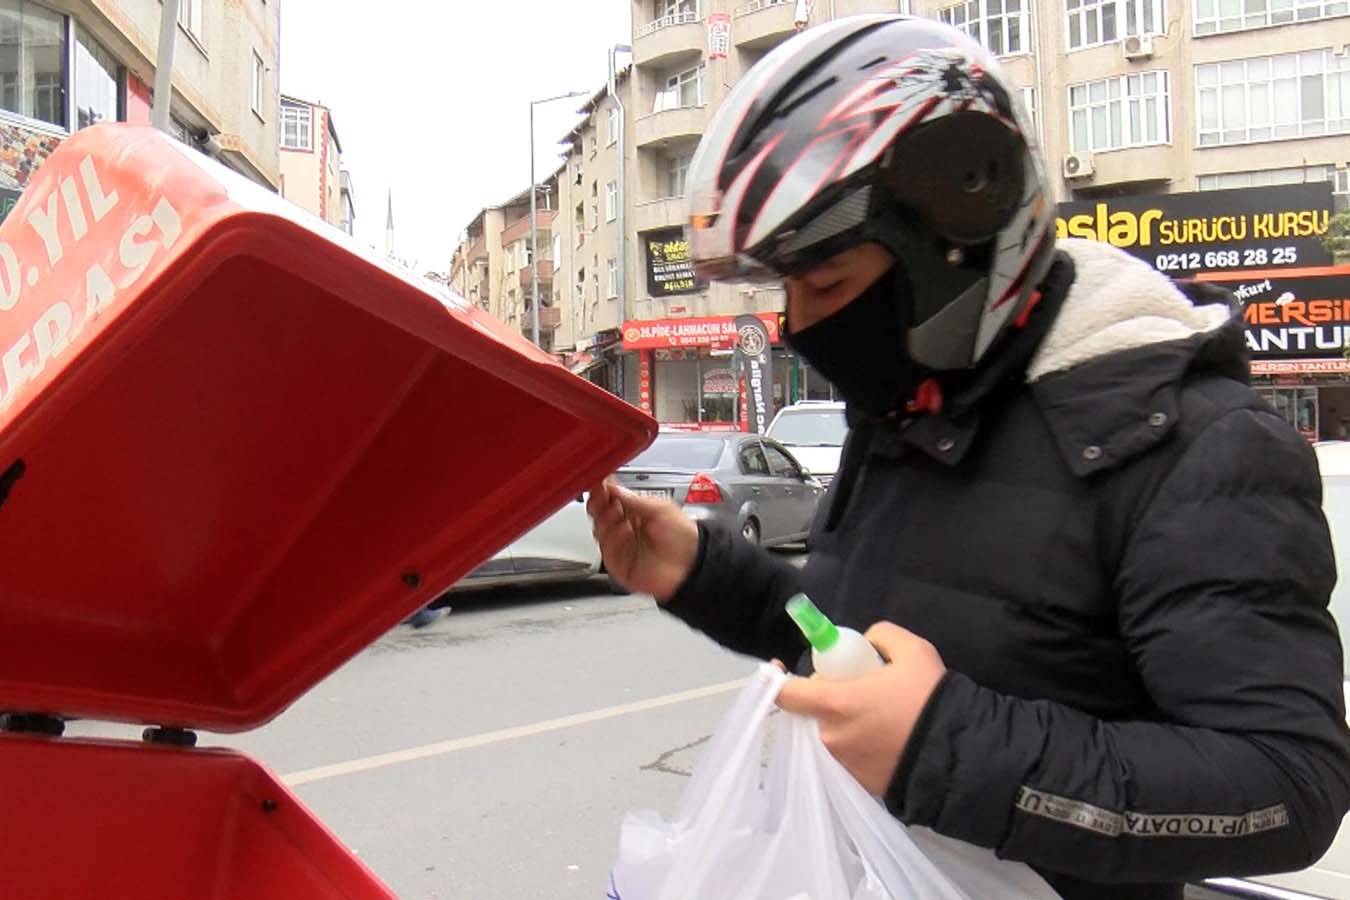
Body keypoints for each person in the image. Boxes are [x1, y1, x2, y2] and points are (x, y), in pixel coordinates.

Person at [587, 15, 1350, 900]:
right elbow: (855, 652)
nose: (799, 324)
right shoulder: (911, 409)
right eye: (787, 289)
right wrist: (703, 573)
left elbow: (1286, 787)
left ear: (956, 230)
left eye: (826, 283)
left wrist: (940, 745)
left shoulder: (1195, 444)